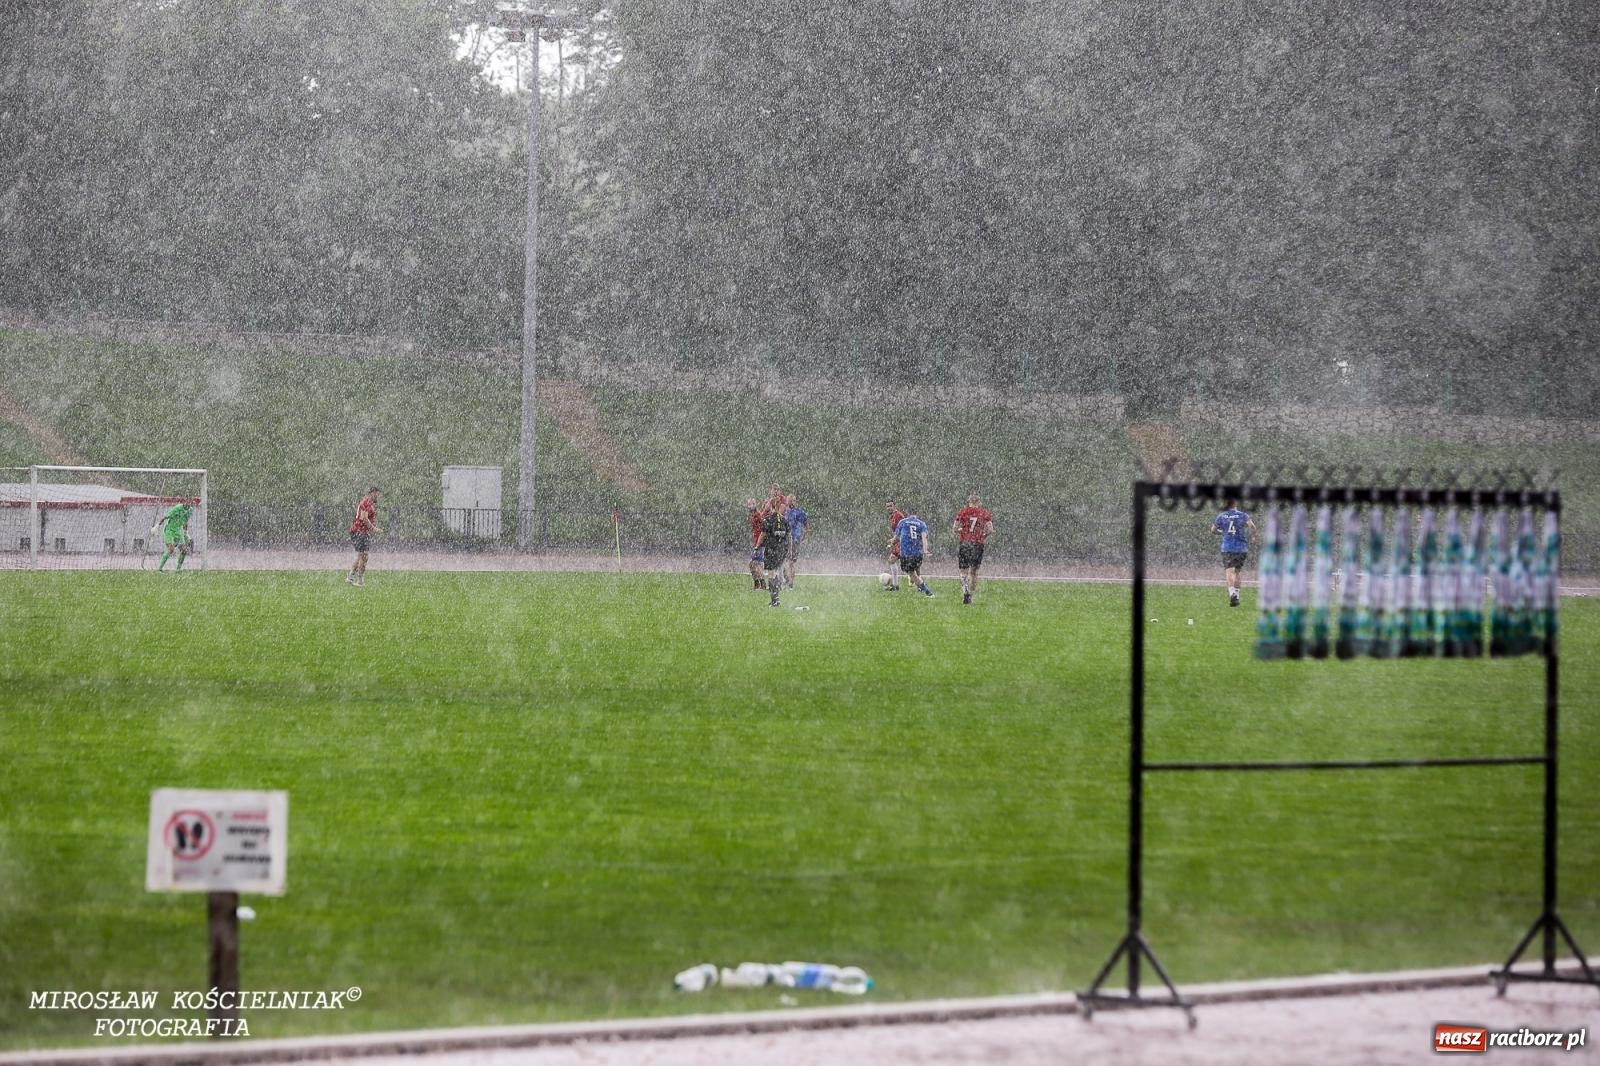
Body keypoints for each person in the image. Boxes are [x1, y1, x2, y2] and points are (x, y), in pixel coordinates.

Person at [1212, 497, 1256, 607]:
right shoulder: (1242, 515)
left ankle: (1232, 593)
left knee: (1229, 570)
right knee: (1237, 571)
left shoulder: (1221, 516)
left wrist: (1222, 532)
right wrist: (1254, 536)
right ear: (1235, 504)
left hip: (1227, 547)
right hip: (1241, 547)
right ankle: (1237, 595)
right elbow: (1252, 526)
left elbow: (1213, 530)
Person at [952, 493, 995, 605]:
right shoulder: (984, 513)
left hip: (965, 543)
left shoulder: (963, 512)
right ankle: (970, 594)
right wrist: (983, 535)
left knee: (963, 571)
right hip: (977, 544)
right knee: (974, 572)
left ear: (969, 501)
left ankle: (965, 591)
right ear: (979, 502)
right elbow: (990, 529)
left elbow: (955, 528)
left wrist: (963, 530)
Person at [756, 500, 792, 607]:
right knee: (777, 572)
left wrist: (757, 546)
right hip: (782, 550)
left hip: (771, 549)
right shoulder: (784, 520)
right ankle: (777, 597)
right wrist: (790, 549)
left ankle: (775, 600)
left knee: (771, 574)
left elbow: (762, 534)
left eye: (767, 505)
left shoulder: (768, 520)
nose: (766, 507)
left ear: (772, 507)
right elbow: (789, 536)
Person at [347, 486, 383, 587]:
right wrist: (374, 528)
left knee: (361, 556)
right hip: (360, 531)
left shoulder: (367, 502)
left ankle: (350, 577)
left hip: (360, 531)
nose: (379, 497)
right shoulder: (367, 502)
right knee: (364, 556)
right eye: (378, 494)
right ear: (373, 493)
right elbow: (364, 518)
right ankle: (360, 580)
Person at [891, 511, 934, 596]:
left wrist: (892, 542)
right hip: (918, 554)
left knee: (911, 573)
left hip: (906, 554)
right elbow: (924, 538)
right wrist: (925, 550)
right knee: (915, 570)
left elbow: (896, 538)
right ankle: (918, 584)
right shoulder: (921, 524)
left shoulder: (903, 522)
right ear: (916, 516)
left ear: (909, 515)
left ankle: (927, 592)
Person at [153, 501, 195, 572]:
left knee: (184, 550)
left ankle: (178, 570)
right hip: (170, 530)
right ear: (184, 502)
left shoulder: (190, 510)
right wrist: (157, 526)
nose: (188, 504)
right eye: (187, 502)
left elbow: (185, 522)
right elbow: (165, 517)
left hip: (179, 531)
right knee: (171, 549)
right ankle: (159, 568)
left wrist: (186, 533)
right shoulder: (177, 508)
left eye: (190, 502)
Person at [783, 494, 809, 589]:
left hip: (794, 540)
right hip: (785, 539)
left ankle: (790, 584)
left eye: (792, 500)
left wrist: (805, 537)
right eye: (789, 500)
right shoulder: (785, 511)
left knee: (791, 562)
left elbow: (807, 525)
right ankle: (787, 580)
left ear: (795, 501)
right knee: (784, 561)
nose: (791, 502)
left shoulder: (799, 512)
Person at [884, 499, 907, 590]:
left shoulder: (898, 515)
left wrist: (895, 541)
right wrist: (893, 540)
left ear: (894, 506)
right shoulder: (893, 516)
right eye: (887, 506)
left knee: (893, 560)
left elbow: (903, 530)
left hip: (903, 542)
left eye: (890, 506)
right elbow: (897, 532)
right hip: (900, 541)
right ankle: (895, 585)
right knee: (893, 561)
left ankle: (895, 585)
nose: (889, 508)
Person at [746, 498, 768, 590]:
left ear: (756, 504)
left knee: (755, 563)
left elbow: (764, 529)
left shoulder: (758, 515)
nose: (751, 506)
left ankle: (761, 584)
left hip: (760, 543)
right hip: (756, 542)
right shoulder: (753, 515)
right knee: (753, 564)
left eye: (753, 504)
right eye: (749, 504)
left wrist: (759, 543)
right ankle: (758, 583)